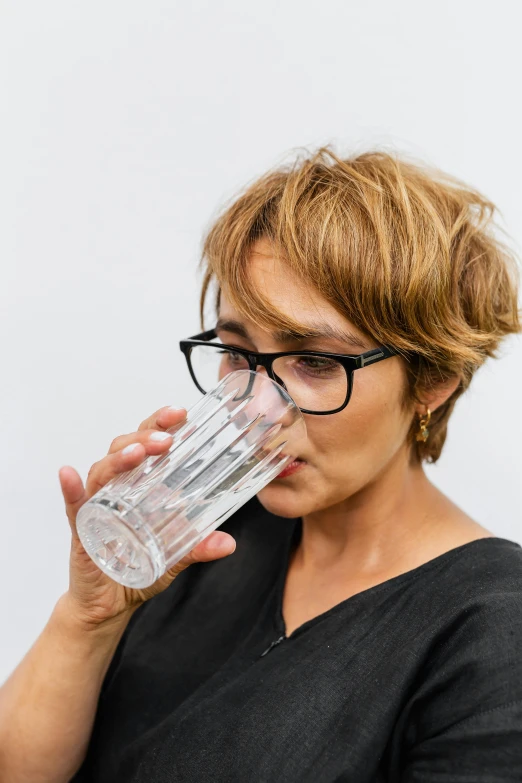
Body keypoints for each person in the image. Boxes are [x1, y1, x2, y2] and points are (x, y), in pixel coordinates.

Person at [1, 147, 521, 783]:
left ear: (434, 379)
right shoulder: (200, 536)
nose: (259, 408)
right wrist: (90, 618)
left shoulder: (494, 627)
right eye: (239, 352)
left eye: (317, 362)